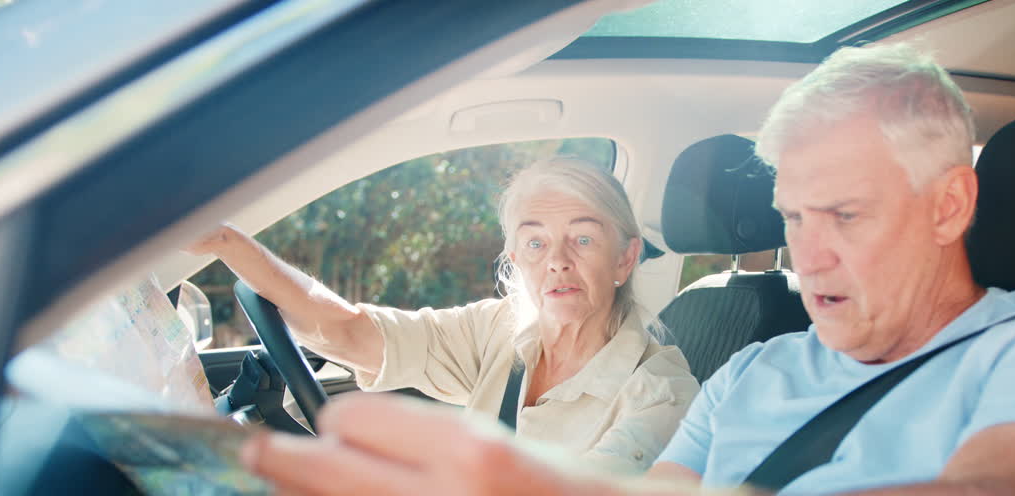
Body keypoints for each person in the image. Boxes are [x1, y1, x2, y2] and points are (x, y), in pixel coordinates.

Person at [241, 44, 1015, 496]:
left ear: (949, 204)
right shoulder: (754, 368)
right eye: (794, 216)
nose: (810, 255)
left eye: (844, 213)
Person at [195, 158, 698, 473]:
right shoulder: (501, 330)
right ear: (517, 257)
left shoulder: (660, 391)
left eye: (583, 238)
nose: (557, 260)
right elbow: (351, 331)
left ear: (625, 258)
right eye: (536, 241)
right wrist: (224, 242)